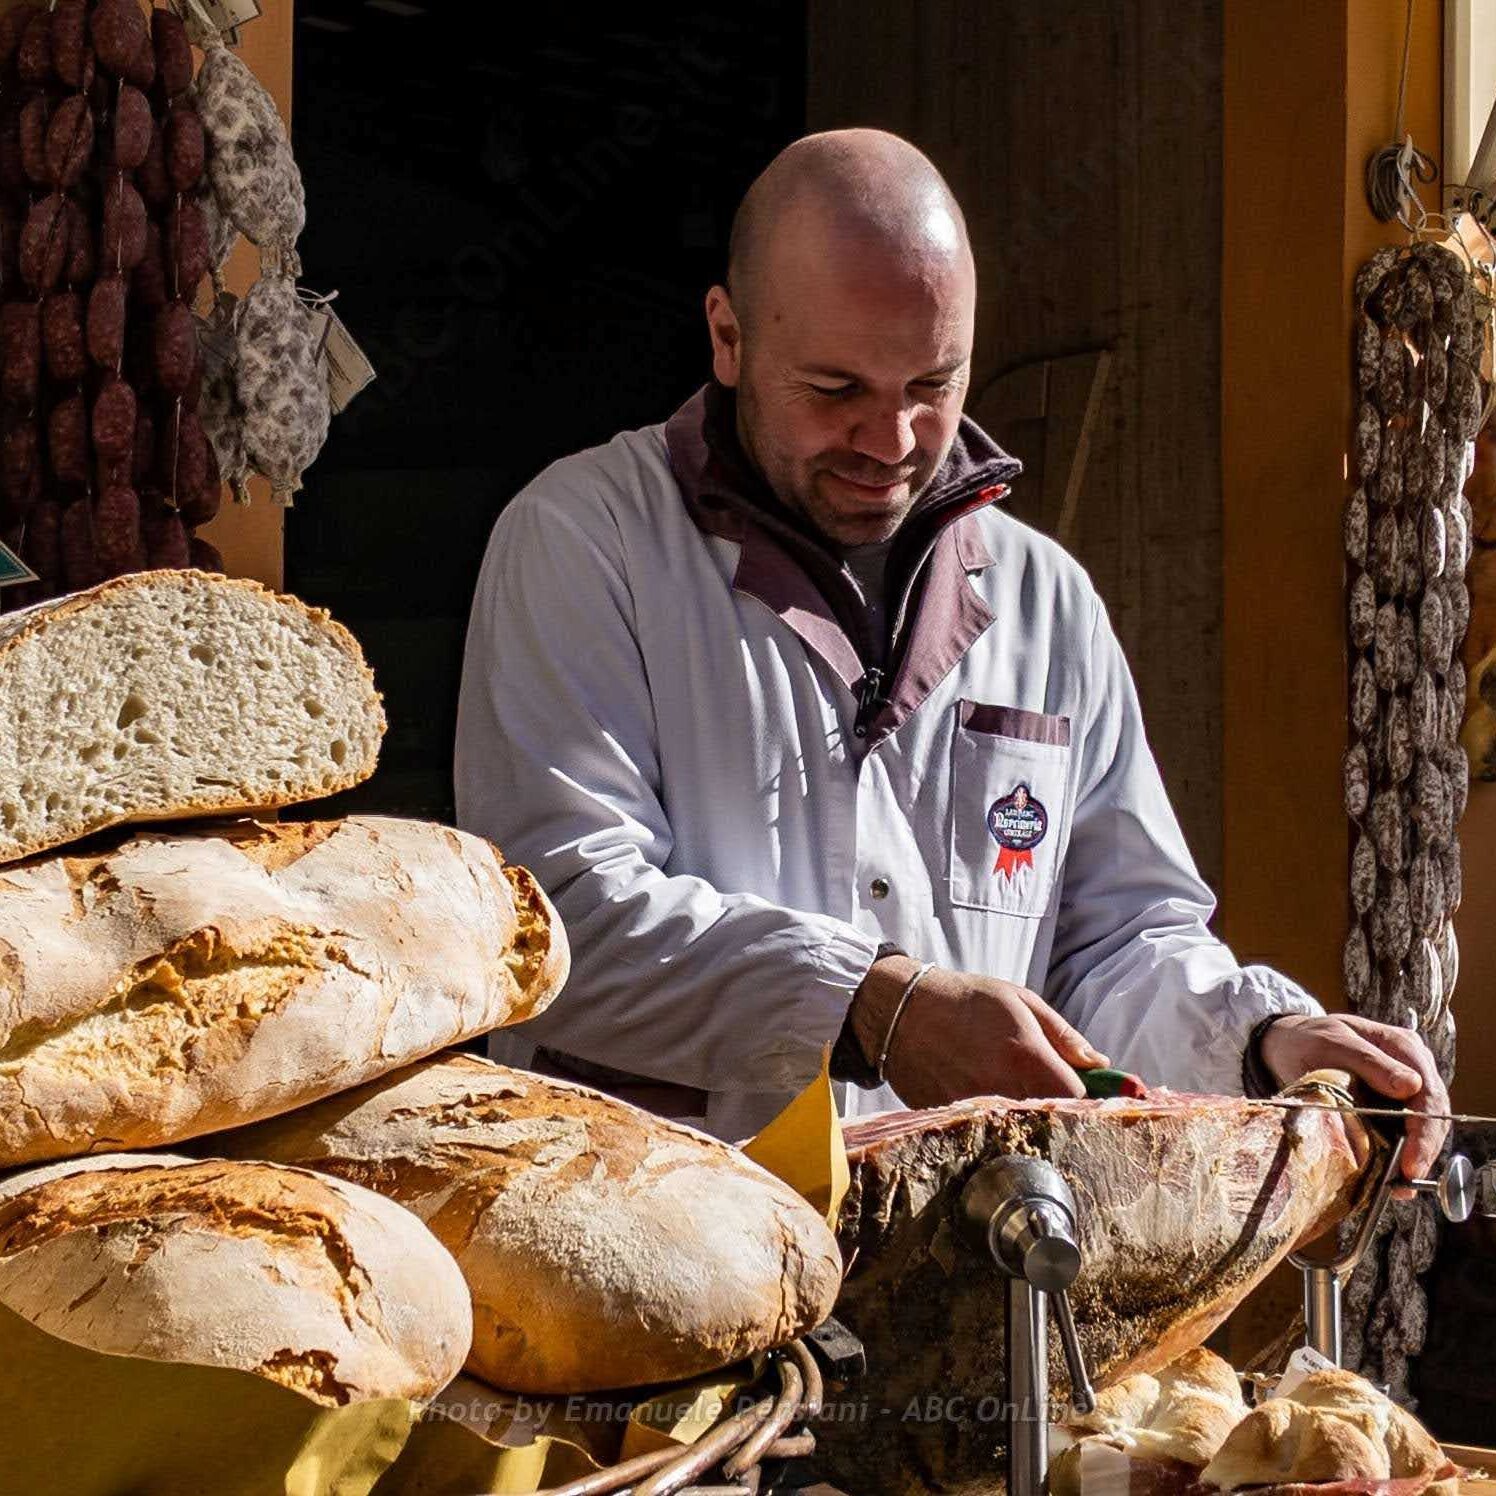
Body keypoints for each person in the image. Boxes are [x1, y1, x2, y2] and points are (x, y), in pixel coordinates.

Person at [455, 128, 1448, 1180]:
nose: (888, 442)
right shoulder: (581, 540)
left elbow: (1117, 940)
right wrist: (871, 1004)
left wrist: (1257, 1039)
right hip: (658, 1237)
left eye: (931, 385)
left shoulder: (1046, 599)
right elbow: (552, 919)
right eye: (835, 389)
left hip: (971, 1256)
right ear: (727, 335)